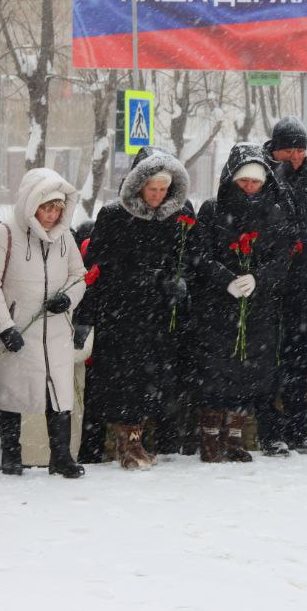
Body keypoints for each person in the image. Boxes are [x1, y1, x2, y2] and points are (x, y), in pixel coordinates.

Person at [75, 148, 193, 470]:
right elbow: (96, 266)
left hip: (153, 314)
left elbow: (178, 261)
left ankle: (136, 443)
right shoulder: (114, 214)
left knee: (147, 382)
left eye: (163, 190)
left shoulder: (171, 218)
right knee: (122, 382)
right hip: (121, 311)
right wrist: (87, 315)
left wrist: (173, 281)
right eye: (152, 189)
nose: (157, 196)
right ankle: (126, 446)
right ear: (138, 185)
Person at [190, 144, 294, 463]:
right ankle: (209, 438)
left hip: (256, 307)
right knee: (215, 370)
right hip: (218, 306)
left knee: (247, 372)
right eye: (243, 181)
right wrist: (226, 279)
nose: (249, 187)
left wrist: (258, 279)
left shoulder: (274, 214)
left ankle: (234, 436)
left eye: (256, 182)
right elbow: (200, 254)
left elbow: (282, 258)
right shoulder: (212, 210)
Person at [0, 167, 87, 478]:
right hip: (16, 328)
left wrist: (68, 298)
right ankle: (11, 456)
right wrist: (4, 326)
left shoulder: (65, 238)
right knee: (12, 392)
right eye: (46, 208)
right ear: (31, 204)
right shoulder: (4, 234)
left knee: (59, 392)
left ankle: (61, 456)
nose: (53, 215)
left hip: (54, 330)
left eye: (58, 208)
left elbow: (78, 276)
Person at [263, 116, 307, 456]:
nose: (296, 156)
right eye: (289, 149)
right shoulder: (263, 175)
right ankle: (271, 431)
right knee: (273, 362)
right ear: (276, 149)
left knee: (302, 364)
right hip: (275, 287)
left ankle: (298, 429)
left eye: (301, 149)